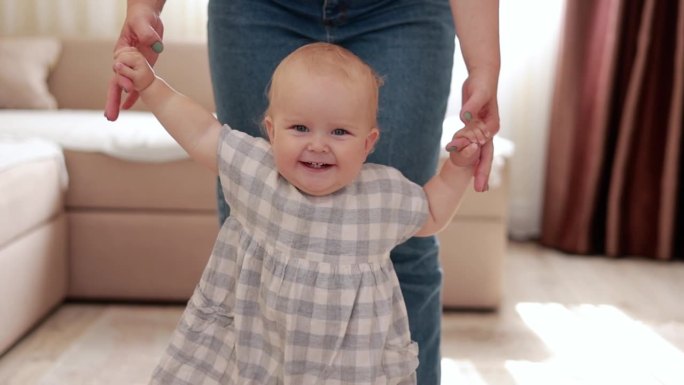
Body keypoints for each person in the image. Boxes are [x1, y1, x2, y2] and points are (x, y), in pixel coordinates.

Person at [105, 1, 500, 383]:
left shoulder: (380, 195)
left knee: (409, 260)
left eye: (340, 132)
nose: (318, 145)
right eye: (300, 129)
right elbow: (200, 130)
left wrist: (459, 166)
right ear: (271, 131)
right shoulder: (255, 169)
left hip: (349, 370)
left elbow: (431, 211)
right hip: (259, 358)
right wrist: (151, 86)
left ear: (369, 143)